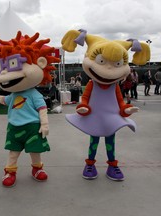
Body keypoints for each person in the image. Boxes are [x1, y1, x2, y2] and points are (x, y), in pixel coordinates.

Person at [62, 29, 149, 181]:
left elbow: (120, 101)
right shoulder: (91, 84)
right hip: (94, 118)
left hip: (111, 119)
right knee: (93, 142)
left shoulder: (114, 86)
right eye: (102, 61)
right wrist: (83, 108)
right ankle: (90, 164)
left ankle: (112, 165)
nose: (109, 69)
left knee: (110, 142)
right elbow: (85, 99)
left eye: (117, 64)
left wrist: (126, 109)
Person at [0, 31, 60, 187]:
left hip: (32, 127)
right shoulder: (13, 95)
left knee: (35, 151)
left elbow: (42, 109)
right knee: (13, 152)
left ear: (40, 64)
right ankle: (10, 171)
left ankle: (37, 169)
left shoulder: (34, 94)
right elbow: (5, 100)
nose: (6, 73)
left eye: (14, 65)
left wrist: (44, 124)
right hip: (14, 127)